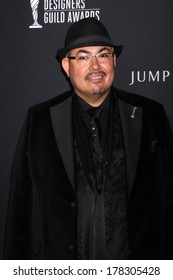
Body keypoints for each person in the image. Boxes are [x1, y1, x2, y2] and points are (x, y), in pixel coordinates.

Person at [4, 17, 173, 260]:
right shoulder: (39, 120)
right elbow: (20, 209)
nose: (95, 65)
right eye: (83, 56)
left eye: (103, 55)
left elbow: (169, 198)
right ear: (66, 65)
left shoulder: (151, 114)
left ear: (114, 60)